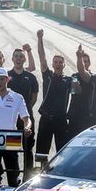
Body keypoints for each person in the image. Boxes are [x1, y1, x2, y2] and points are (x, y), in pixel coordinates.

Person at [35, 29, 74, 161]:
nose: (57, 64)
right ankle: (38, 176)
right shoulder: (48, 76)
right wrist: (40, 38)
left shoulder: (69, 80)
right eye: (55, 62)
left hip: (61, 121)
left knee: (62, 153)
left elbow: (77, 92)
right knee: (41, 153)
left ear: (64, 65)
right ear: (52, 64)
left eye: (60, 62)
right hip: (46, 119)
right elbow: (41, 56)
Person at [7, 47, 39, 180]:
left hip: (27, 119)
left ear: (24, 59)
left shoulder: (31, 77)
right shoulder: (7, 76)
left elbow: (34, 98)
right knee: (12, 149)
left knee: (27, 148)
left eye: (21, 56)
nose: (19, 59)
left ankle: (28, 178)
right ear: (12, 59)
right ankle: (13, 178)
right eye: (16, 56)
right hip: (11, 120)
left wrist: (24, 111)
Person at [68, 47, 94, 138]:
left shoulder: (93, 76)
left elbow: (83, 73)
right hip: (74, 116)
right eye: (82, 60)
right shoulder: (74, 76)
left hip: (87, 116)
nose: (83, 63)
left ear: (89, 63)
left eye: (85, 61)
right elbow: (74, 92)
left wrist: (79, 57)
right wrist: (76, 88)